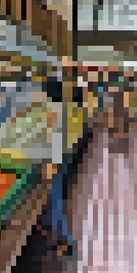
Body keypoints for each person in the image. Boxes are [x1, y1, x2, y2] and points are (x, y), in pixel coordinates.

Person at [41, 72, 76, 259]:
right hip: (63, 156)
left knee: (55, 201)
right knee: (57, 199)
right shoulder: (63, 109)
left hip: (57, 158)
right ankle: (59, 237)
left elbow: (54, 138)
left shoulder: (53, 112)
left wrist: (51, 163)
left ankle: (65, 241)